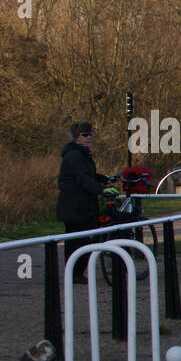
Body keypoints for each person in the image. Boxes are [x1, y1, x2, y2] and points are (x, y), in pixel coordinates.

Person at [56, 121, 116, 284]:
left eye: (90, 134)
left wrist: (105, 179)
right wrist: (102, 189)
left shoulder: (83, 153)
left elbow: (89, 175)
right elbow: (82, 179)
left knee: (83, 239)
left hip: (83, 205)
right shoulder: (74, 155)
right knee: (78, 240)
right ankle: (74, 274)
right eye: (85, 134)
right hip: (75, 206)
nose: (89, 137)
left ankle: (76, 273)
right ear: (76, 137)